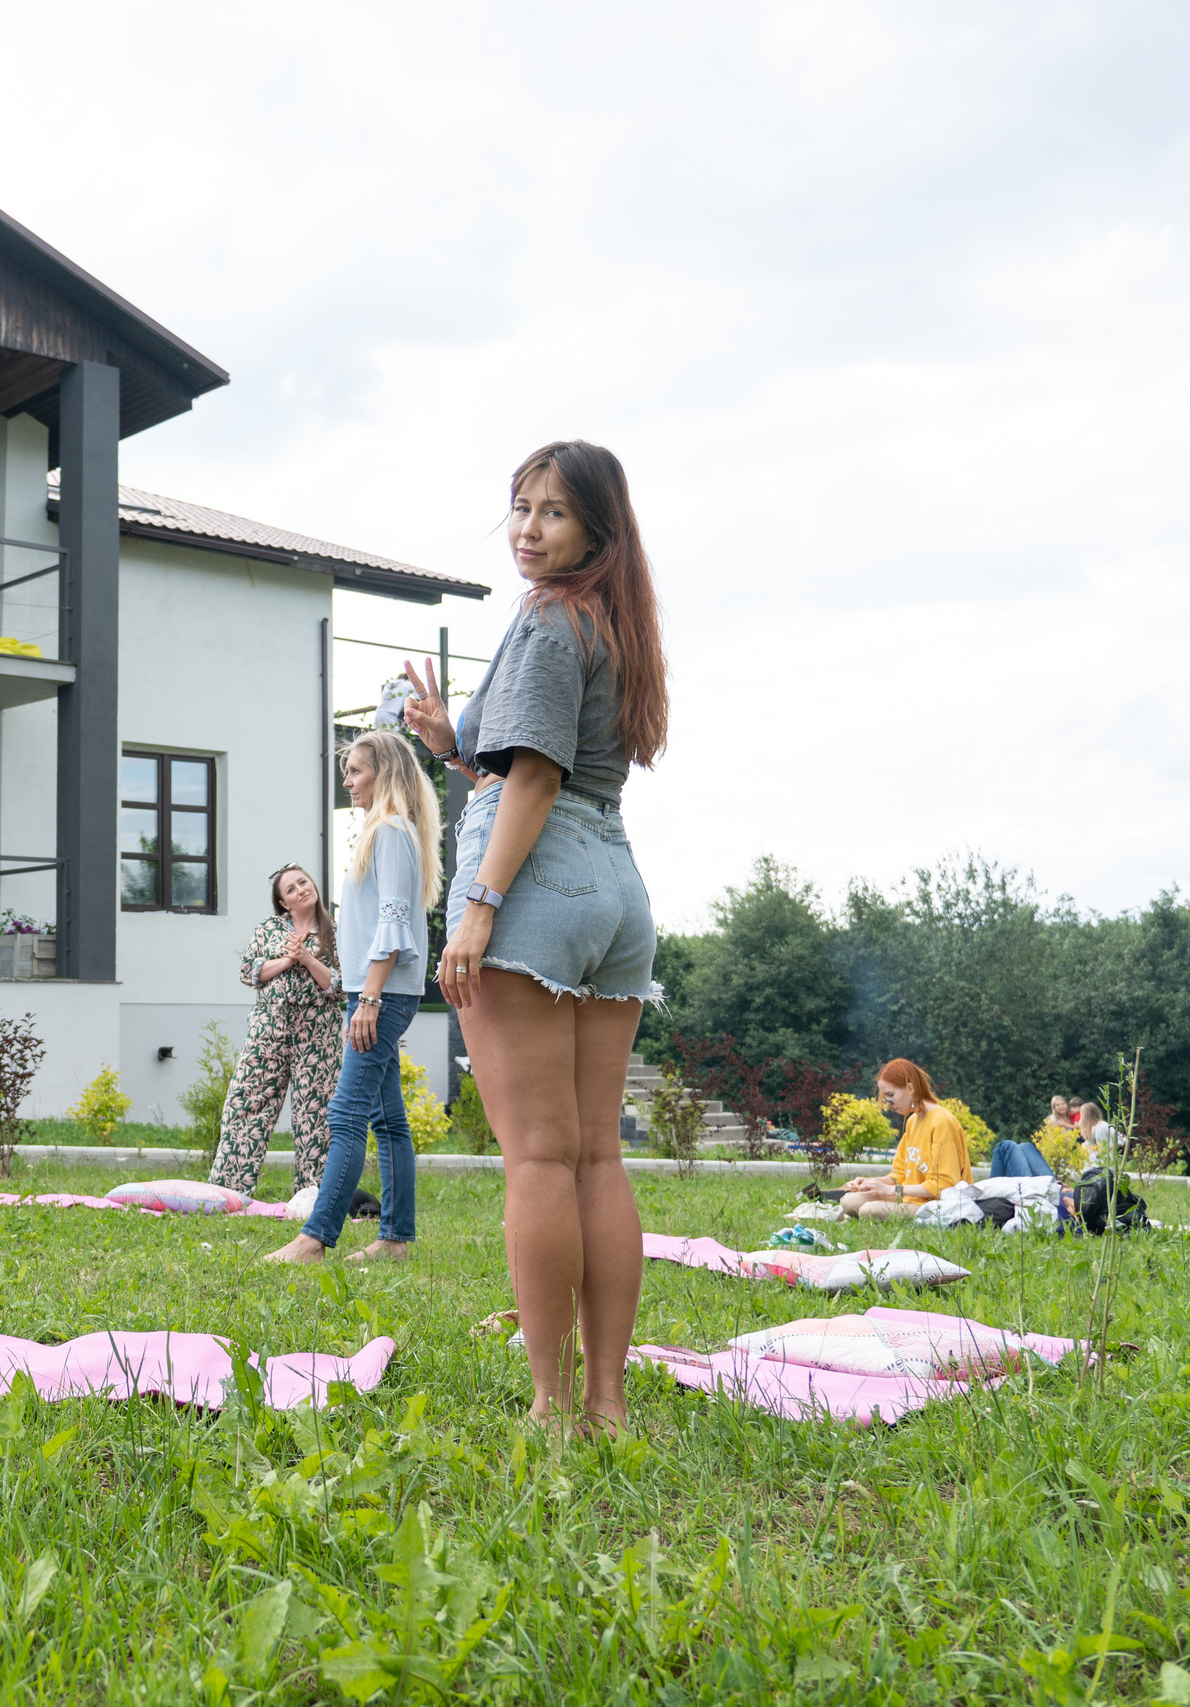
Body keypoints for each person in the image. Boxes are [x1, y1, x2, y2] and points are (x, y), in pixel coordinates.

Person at [399, 439, 667, 1433]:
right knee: (595, 1157)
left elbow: (536, 780)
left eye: (552, 513)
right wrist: (449, 747)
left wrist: (475, 909)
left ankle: (551, 1405)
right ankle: (605, 1403)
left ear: (597, 528)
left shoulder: (548, 618)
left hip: (539, 880)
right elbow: (530, 766)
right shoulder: (614, 623)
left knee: (541, 1162)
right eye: (518, 507)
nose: (527, 529)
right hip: (614, 889)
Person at [264, 732, 438, 1265]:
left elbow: (392, 920)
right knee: (388, 1120)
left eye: (356, 771)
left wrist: (369, 1000)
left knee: (344, 1114)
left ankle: (315, 1239)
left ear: (382, 774)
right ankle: (395, 1239)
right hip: (375, 991)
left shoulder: (389, 831)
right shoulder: (386, 832)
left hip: (379, 995)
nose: (347, 782)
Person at [206, 864, 345, 1198]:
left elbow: (342, 986)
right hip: (268, 1029)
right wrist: (288, 959)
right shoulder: (269, 929)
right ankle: (228, 1191)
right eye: (291, 889)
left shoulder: (336, 932)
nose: (301, 890)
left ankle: (314, 1197)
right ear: (284, 903)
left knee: (316, 1113)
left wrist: (309, 959)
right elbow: (249, 971)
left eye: (303, 882)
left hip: (318, 1034)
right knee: (246, 1101)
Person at [837, 1060, 972, 1218]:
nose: (888, 1104)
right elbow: (899, 1174)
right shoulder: (912, 1121)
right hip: (910, 1198)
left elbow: (943, 1186)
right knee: (848, 1202)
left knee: (870, 1210)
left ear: (911, 1088)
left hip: (937, 1204)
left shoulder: (942, 1121)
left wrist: (890, 1191)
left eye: (890, 1095)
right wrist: (871, 1182)